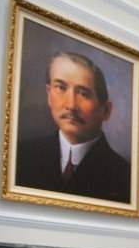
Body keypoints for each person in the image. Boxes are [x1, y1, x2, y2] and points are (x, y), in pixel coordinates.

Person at [15, 51, 130, 203]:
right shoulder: (21, 155)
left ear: (105, 110)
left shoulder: (123, 175)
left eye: (84, 94)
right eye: (60, 88)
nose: (71, 105)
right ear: (49, 94)